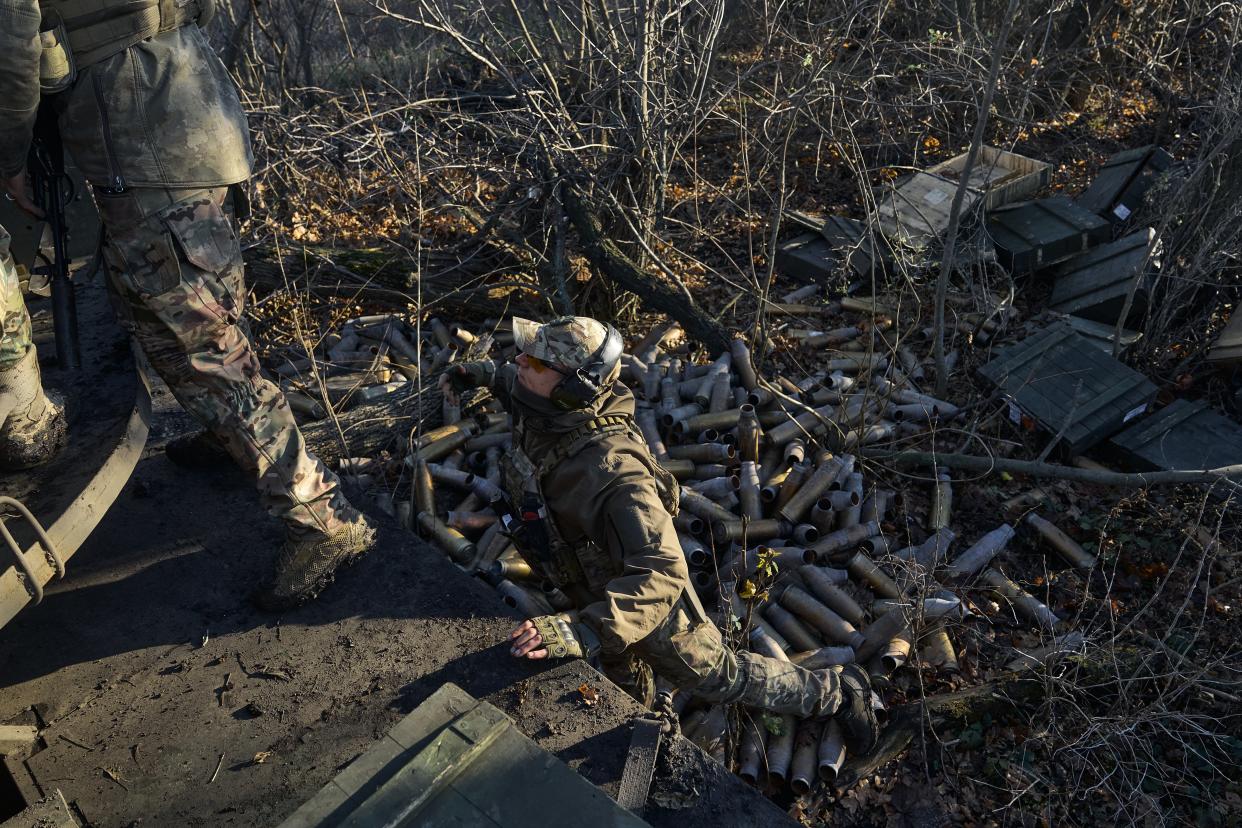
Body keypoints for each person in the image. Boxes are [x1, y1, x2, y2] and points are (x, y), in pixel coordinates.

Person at [0, 0, 374, 609]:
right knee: (176, 311)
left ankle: (320, 520)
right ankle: (231, 438)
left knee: (202, 344)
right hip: (191, 106)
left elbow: (12, 46)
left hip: (141, 136)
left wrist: (9, 156)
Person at [440, 316, 880, 753]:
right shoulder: (552, 406)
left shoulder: (615, 474)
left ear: (574, 388)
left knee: (718, 676)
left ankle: (838, 694)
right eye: (526, 354)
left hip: (646, 595)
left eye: (535, 362)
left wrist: (588, 630)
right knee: (618, 663)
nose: (520, 361)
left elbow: (663, 571)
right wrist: (484, 376)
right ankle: (636, 704)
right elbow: (524, 395)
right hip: (595, 579)